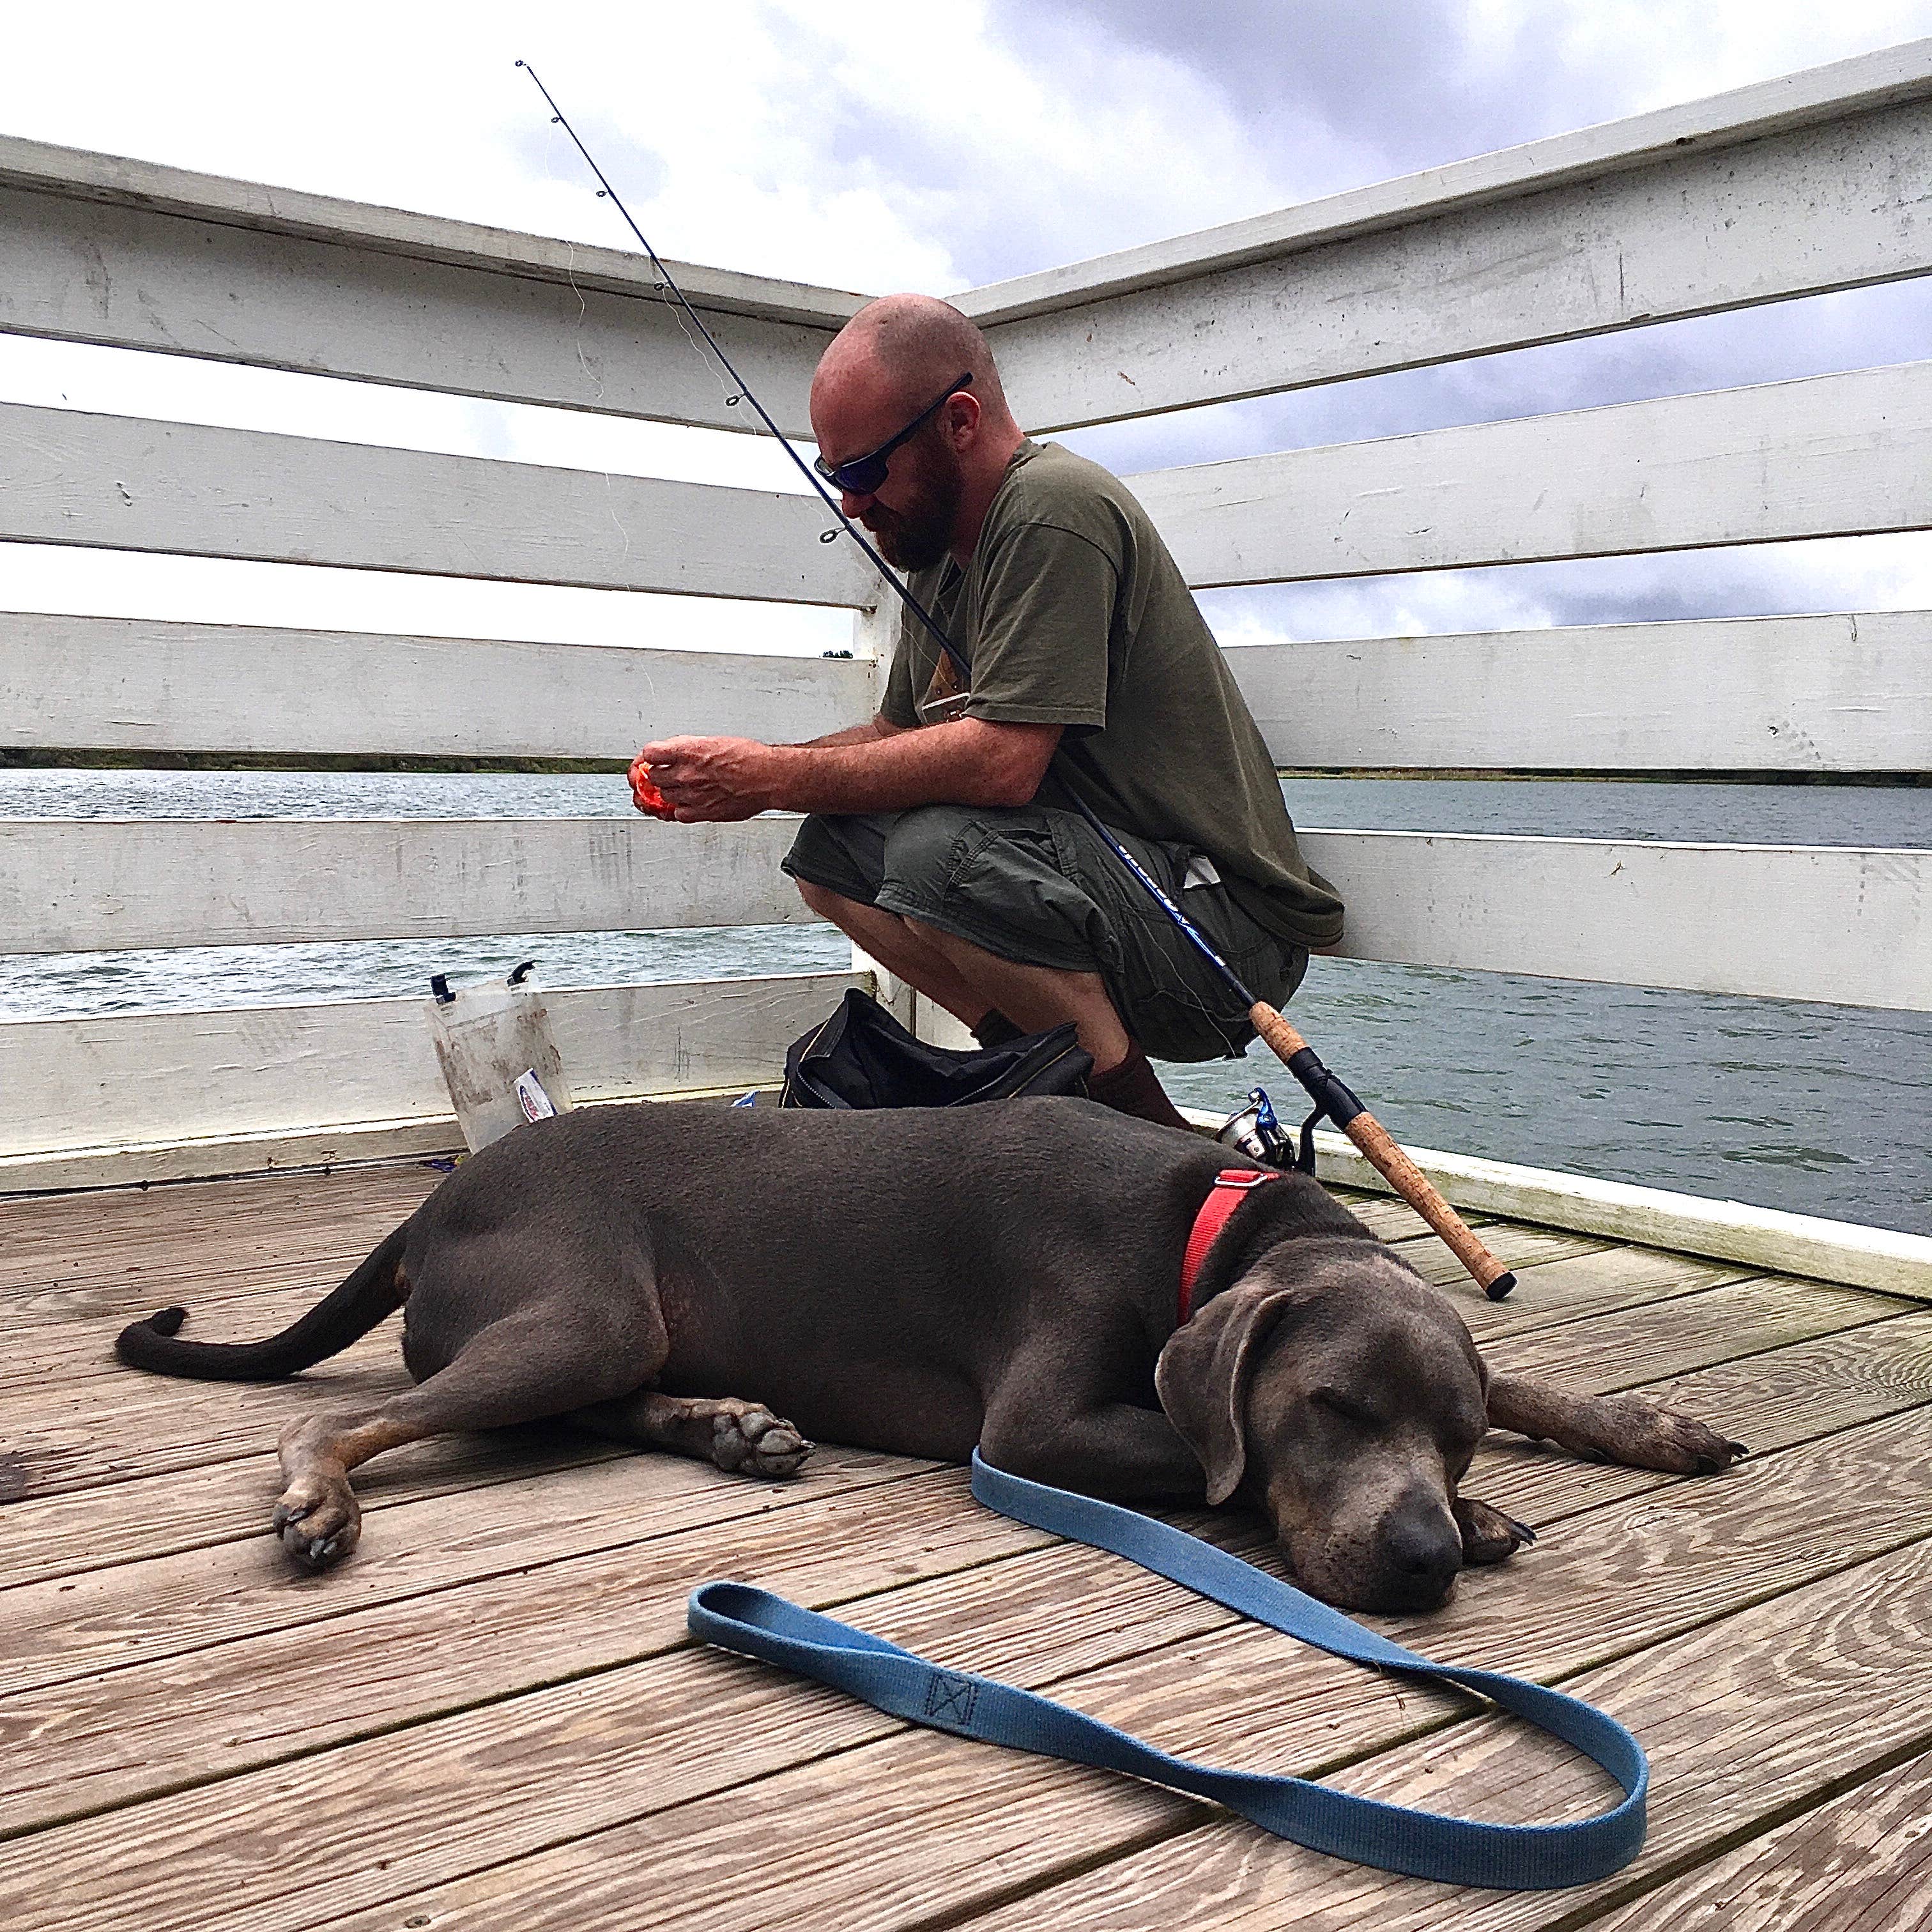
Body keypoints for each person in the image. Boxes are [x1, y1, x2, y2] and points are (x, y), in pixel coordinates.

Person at [634, 294, 1343, 1129]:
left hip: (1217, 931)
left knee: (940, 856)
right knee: (833, 849)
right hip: (1098, 897)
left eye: (863, 473)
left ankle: (1159, 1150)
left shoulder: (1054, 509)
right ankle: (1046, 1086)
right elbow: (898, 737)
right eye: (836, 478)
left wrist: (770, 775)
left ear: (960, 420)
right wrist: (752, 773)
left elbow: (1004, 763)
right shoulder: (937, 552)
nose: (853, 506)